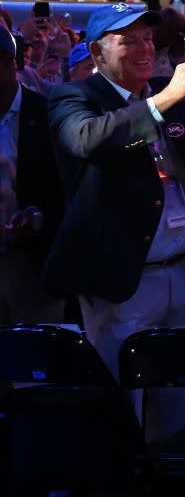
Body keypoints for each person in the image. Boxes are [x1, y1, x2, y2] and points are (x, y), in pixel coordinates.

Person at [45, 3, 185, 442]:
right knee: (122, 407)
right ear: (97, 53)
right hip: (124, 280)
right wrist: (163, 101)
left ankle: (174, 477)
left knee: (183, 401)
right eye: (128, 40)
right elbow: (85, 139)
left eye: (147, 39)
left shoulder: (168, 92)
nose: (143, 49)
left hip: (184, 270)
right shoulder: (74, 96)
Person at [0, 28, 64, 326]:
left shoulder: (47, 113)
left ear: (8, 63)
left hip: (31, 263)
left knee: (32, 357)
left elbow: (68, 188)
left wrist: (37, 216)